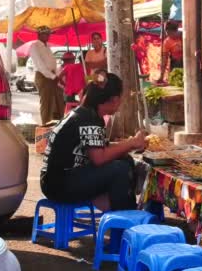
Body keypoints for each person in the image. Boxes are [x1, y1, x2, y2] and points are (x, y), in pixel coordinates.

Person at [40, 70, 146, 211]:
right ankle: (124, 222)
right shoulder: (88, 118)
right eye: (121, 97)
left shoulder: (86, 113)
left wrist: (129, 144)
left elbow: (100, 147)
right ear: (114, 99)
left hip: (58, 180)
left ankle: (121, 210)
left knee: (125, 159)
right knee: (120, 169)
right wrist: (131, 143)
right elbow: (99, 158)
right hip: (59, 184)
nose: (120, 101)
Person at [30, 26, 65, 124]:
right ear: (39, 35)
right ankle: (45, 126)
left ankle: (57, 125)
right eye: (45, 34)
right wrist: (53, 76)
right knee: (47, 103)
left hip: (52, 76)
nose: (47, 36)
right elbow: (40, 65)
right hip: (43, 76)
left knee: (58, 101)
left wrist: (57, 75)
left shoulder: (48, 46)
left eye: (48, 34)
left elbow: (52, 64)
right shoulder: (35, 46)